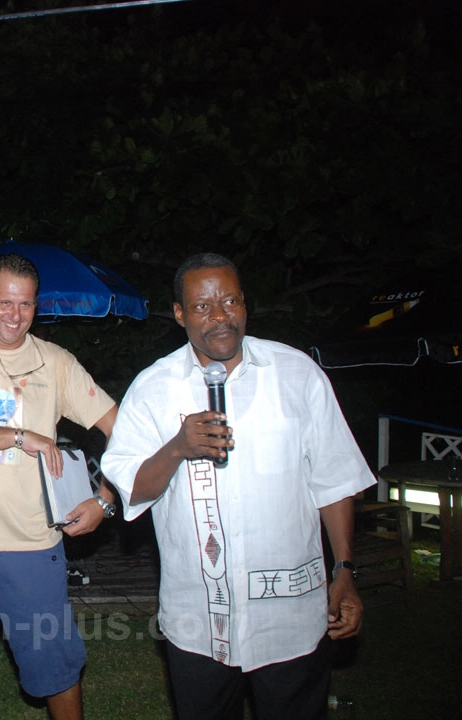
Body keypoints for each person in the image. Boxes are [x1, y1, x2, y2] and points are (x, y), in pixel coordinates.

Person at [101, 252, 375, 720]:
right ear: (180, 314)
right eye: (203, 307)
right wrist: (177, 448)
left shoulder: (297, 374)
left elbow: (333, 477)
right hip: (198, 621)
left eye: (230, 301)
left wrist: (345, 567)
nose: (220, 316)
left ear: (245, 303)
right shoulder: (153, 388)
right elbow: (132, 487)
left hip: (290, 617)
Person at [0, 253, 120, 720]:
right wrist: (18, 435)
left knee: (56, 666)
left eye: (26, 304)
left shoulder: (55, 363)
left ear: (36, 306)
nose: (15, 315)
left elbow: (125, 430)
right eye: (5, 302)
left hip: (35, 547)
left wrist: (105, 501)